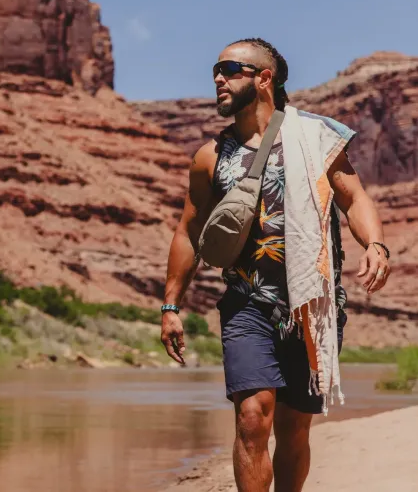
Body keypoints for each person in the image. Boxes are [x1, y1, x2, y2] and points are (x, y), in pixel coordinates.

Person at [160, 38, 391, 492]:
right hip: (246, 304)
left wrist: (376, 245)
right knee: (251, 418)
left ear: (264, 78)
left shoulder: (317, 138)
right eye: (215, 70)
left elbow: (354, 198)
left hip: (312, 305)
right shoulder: (210, 156)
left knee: (294, 427)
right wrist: (170, 305)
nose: (218, 78)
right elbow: (187, 232)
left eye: (230, 69)